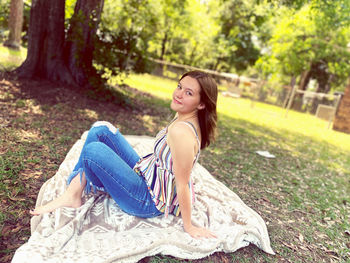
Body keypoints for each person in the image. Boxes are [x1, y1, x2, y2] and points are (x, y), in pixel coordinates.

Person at [30, 70, 218, 239]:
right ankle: (73, 194)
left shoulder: (182, 133)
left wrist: (189, 226)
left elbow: (182, 183)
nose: (179, 94)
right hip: (148, 175)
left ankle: (73, 194)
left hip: (146, 201)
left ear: (201, 104)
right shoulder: (185, 115)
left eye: (188, 93)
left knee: (92, 150)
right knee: (101, 129)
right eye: (180, 87)